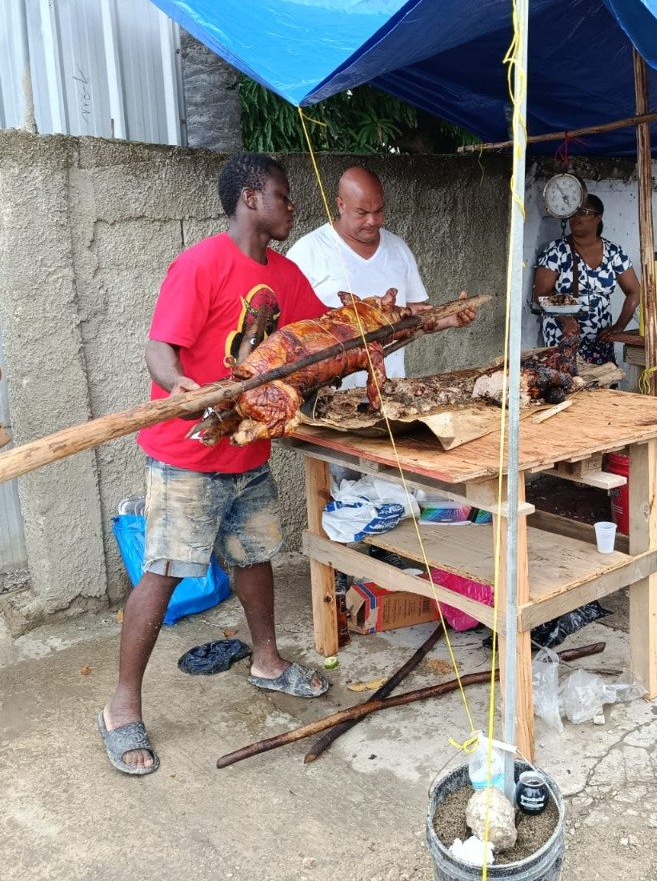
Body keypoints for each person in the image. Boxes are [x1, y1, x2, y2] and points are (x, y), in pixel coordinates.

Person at [99, 153, 334, 776]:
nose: (291, 208)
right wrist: (177, 385)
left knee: (255, 558)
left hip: (248, 449)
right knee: (167, 571)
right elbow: (159, 346)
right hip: (189, 454)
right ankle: (122, 708)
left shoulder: (284, 276)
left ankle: (267, 661)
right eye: (283, 196)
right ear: (251, 198)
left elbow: (321, 335)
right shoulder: (200, 263)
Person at [286, 166, 473, 387]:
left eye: (379, 211)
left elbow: (418, 317)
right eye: (362, 213)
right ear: (340, 205)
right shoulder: (307, 252)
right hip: (326, 396)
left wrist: (449, 318)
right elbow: (292, 334)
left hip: (389, 392)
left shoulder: (398, 249)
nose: (373, 220)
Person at [531, 193, 641, 365]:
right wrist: (566, 318)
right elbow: (540, 295)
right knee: (566, 384)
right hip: (565, 335)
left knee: (601, 385)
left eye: (582, 211)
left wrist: (619, 327)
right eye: (573, 212)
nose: (575, 216)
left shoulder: (614, 252)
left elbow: (634, 291)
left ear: (598, 217)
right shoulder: (556, 251)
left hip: (600, 339)